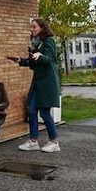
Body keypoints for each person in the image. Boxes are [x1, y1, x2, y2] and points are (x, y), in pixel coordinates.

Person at [7, 18, 61, 152]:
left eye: (34, 27)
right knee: (31, 110)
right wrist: (20, 60)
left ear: (42, 28)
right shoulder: (38, 44)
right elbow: (33, 63)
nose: (31, 29)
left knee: (44, 112)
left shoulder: (49, 41)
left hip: (47, 83)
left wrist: (40, 55)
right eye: (31, 27)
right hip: (38, 82)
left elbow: (49, 59)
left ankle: (54, 142)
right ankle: (33, 141)